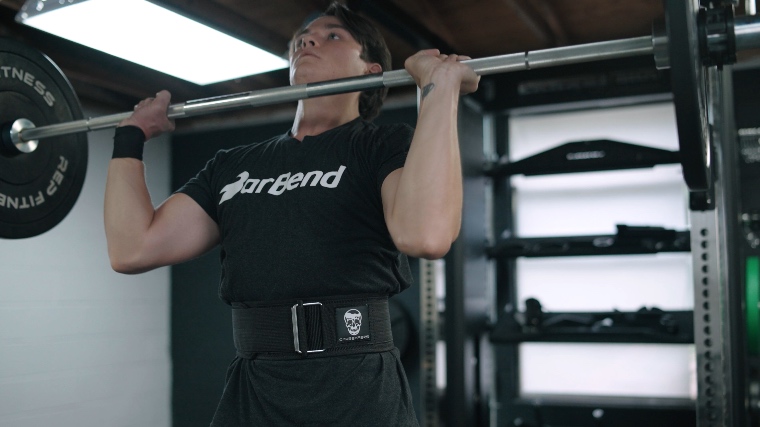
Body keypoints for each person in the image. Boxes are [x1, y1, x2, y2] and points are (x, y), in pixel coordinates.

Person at [104, 2, 479, 426]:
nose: (307, 40)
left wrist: (439, 88)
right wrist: (130, 137)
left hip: (357, 389)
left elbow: (426, 235)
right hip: (255, 390)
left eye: (333, 35)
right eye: (302, 38)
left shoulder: (381, 147)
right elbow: (132, 249)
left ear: (371, 70)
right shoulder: (232, 165)